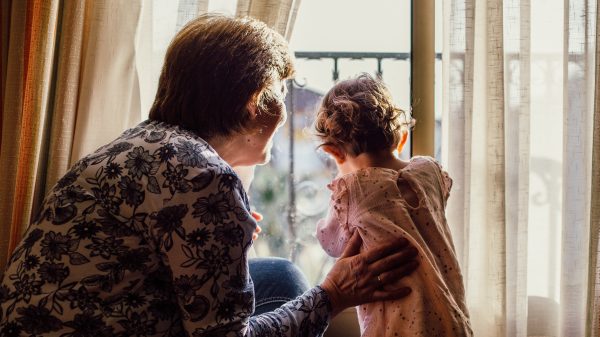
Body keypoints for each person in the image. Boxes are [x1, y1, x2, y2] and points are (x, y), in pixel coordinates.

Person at [0, 15, 420, 337]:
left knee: (281, 276)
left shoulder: (139, 142)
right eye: (280, 92)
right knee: (299, 286)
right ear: (255, 102)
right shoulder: (205, 178)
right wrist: (335, 295)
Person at [313, 74, 472, 337]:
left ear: (334, 152)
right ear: (401, 139)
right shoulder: (429, 170)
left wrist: (334, 205)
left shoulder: (352, 189)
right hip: (450, 318)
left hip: (397, 327)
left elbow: (332, 243)